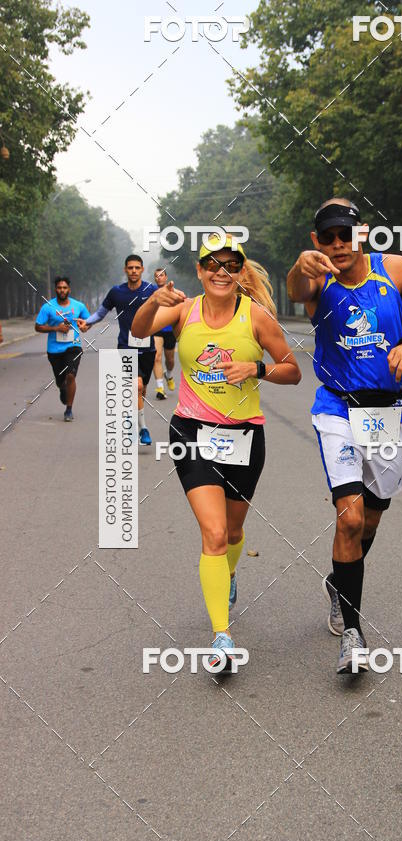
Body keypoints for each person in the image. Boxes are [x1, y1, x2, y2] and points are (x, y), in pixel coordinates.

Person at [287, 198, 402, 673]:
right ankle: (354, 636)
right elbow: (298, 290)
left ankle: (339, 583)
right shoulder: (316, 278)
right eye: (327, 237)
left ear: (363, 233)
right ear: (317, 241)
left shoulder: (395, 269)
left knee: (372, 519)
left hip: (387, 412)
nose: (338, 244)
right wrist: (300, 267)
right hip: (337, 407)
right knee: (351, 520)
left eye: (345, 234)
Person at [132, 235, 301, 667]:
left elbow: (293, 371)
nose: (221, 272)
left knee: (234, 532)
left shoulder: (257, 317)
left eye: (230, 265)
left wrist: (256, 368)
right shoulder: (184, 310)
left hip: (244, 438)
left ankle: (228, 574)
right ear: (201, 268)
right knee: (214, 534)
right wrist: (153, 300)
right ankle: (221, 636)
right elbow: (138, 329)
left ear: (241, 271)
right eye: (213, 264)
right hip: (191, 432)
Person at [83, 254, 157, 444]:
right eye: (130, 267)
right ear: (125, 270)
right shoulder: (116, 292)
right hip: (125, 346)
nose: (133, 271)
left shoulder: (152, 290)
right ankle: (144, 430)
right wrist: (88, 322)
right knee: (137, 385)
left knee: (141, 390)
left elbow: (167, 309)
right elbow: (101, 312)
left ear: (142, 269)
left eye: (137, 268)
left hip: (148, 348)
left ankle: (131, 418)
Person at [35, 276, 90, 422]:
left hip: (74, 346)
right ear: (56, 289)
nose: (62, 290)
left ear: (69, 289)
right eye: (59, 288)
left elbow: (88, 322)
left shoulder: (78, 306)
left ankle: (69, 409)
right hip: (54, 350)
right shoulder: (48, 307)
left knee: (71, 376)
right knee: (61, 381)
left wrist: (84, 326)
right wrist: (55, 328)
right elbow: (38, 326)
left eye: (65, 288)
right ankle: (62, 386)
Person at [152, 266, 176, 399]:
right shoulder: (151, 292)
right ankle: (160, 388)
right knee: (157, 357)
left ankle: (169, 374)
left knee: (170, 360)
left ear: (166, 277)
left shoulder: (173, 291)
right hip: (156, 329)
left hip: (170, 330)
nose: (158, 277)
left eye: (161, 275)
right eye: (156, 276)